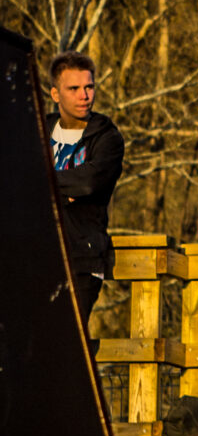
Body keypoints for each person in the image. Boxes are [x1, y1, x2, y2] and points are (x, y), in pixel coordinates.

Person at [44, 50, 125, 329]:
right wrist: (65, 192)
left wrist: (43, 184)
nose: (84, 95)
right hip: (35, 255)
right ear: (55, 94)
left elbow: (89, 183)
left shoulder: (107, 137)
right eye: (74, 88)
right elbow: (17, 178)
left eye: (89, 87)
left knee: (65, 338)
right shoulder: (38, 131)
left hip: (82, 259)